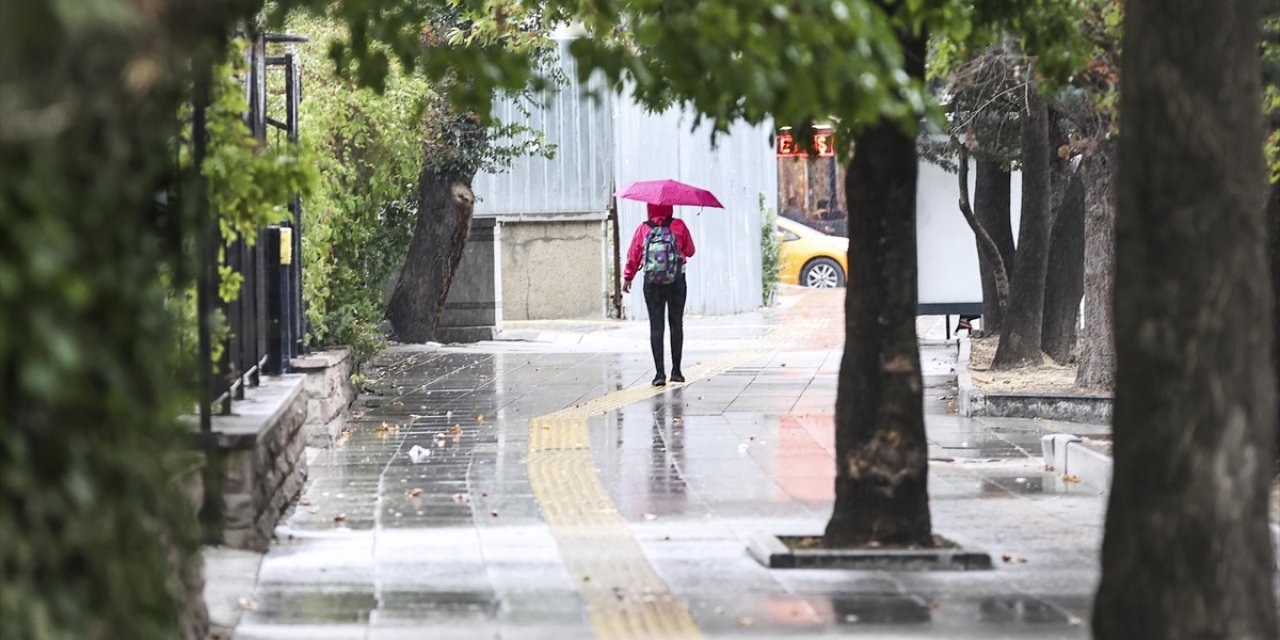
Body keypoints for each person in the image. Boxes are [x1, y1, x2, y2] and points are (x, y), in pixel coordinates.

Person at [622, 203, 696, 386]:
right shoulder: (679, 225)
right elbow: (691, 251)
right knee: (676, 323)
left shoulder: (643, 228)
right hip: (676, 281)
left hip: (652, 283)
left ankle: (659, 374)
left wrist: (628, 277)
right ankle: (676, 371)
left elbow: (633, 255)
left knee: (656, 326)